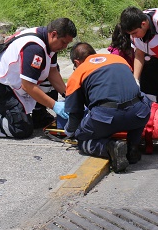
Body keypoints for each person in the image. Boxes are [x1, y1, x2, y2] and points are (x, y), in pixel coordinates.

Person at [0, 18, 77, 139]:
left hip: (14, 81)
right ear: (54, 34)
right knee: (21, 128)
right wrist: (54, 105)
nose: (65, 47)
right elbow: (28, 86)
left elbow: (52, 72)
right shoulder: (35, 48)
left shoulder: (48, 41)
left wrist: (69, 96)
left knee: (49, 77)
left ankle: (38, 115)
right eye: (64, 42)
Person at [64, 42, 152, 173]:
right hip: (137, 115)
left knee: (81, 138)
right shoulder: (119, 60)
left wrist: (71, 133)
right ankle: (133, 146)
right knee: (143, 101)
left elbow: (75, 112)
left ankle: (110, 147)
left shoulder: (78, 73)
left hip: (106, 118)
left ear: (77, 62)